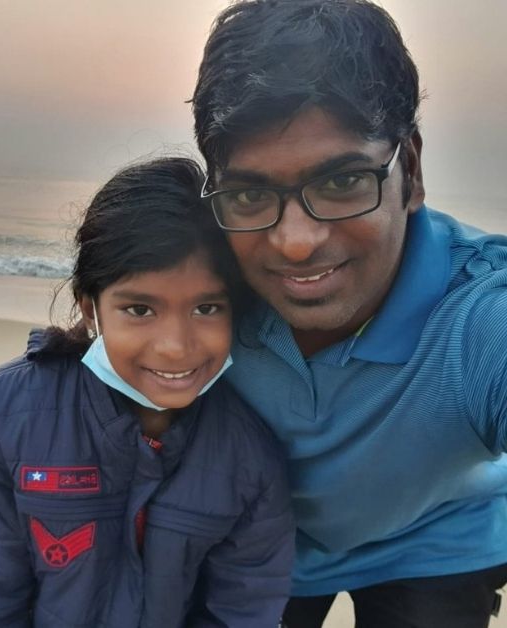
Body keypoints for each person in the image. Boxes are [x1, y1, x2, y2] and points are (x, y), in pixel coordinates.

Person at [192, 1, 507, 625]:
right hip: (269, 541)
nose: (295, 242)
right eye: (252, 193)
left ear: (410, 171)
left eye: (341, 182)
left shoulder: (478, 316)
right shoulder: (203, 291)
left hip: (435, 538)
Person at [0, 158, 293, 627]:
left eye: (207, 307)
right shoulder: (3, 415)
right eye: (140, 309)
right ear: (91, 309)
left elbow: (242, 610)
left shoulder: (249, 455)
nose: (175, 347)